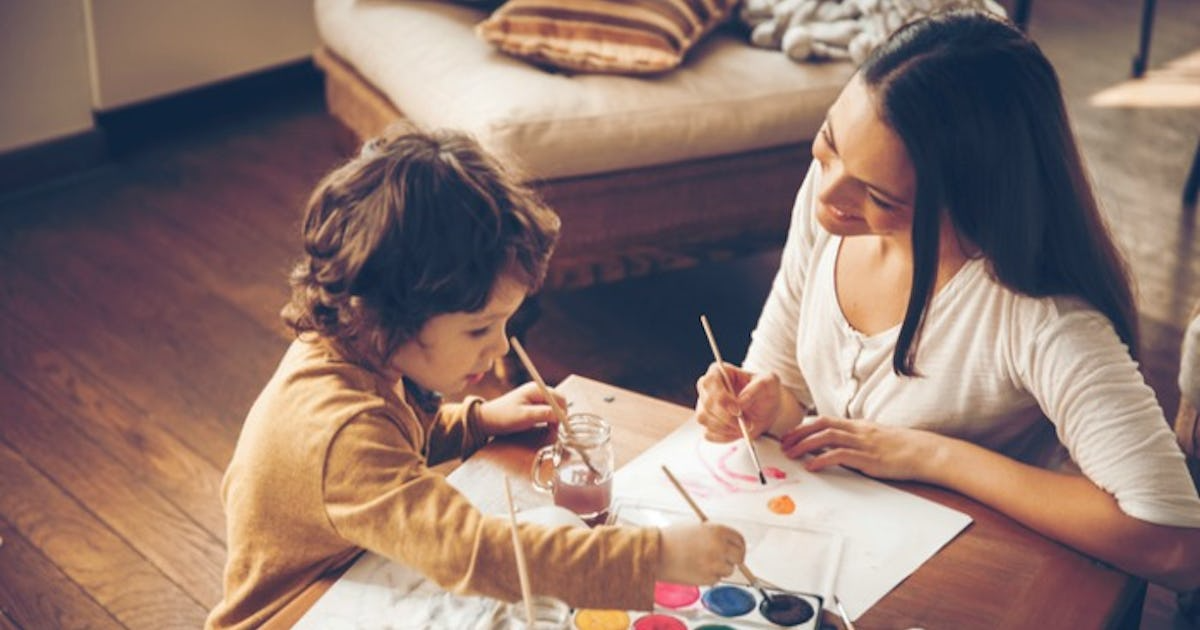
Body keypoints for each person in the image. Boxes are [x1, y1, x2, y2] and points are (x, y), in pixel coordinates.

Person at [692, 10, 1200, 592]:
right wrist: (766, 407)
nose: (828, 197)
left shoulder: (1039, 316)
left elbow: (1177, 545)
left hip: (973, 585)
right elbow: (778, 379)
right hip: (837, 561)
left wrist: (935, 457)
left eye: (879, 196)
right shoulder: (834, 195)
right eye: (829, 144)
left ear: (971, 200)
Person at [207, 129, 746, 629]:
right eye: (480, 328)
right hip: (297, 612)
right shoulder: (342, 432)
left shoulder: (360, 353)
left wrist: (477, 421)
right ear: (390, 313)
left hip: (357, 568)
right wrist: (656, 557)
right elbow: (472, 553)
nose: (500, 346)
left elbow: (393, 439)